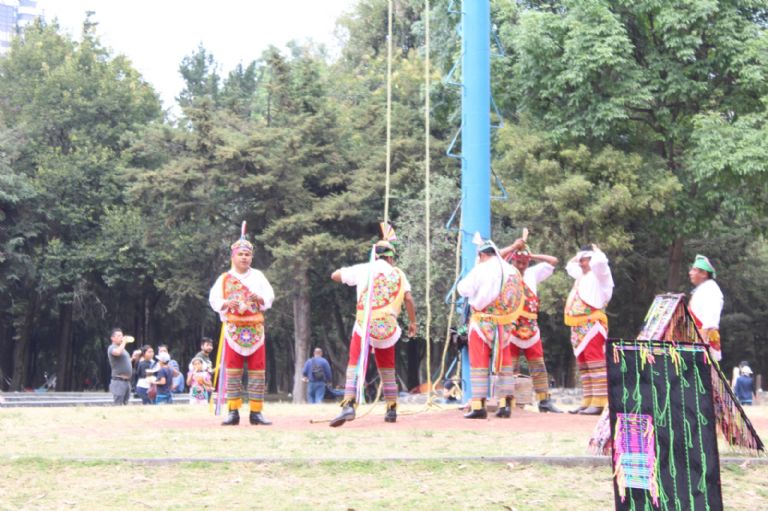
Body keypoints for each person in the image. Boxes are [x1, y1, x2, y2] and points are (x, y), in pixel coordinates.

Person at [329, 239, 417, 427]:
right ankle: (391, 408)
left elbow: (335, 275)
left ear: (375, 255)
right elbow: (409, 299)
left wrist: (353, 272)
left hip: (365, 324)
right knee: (387, 367)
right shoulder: (399, 274)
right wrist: (413, 322)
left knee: (355, 362)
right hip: (387, 326)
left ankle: (349, 404)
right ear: (391, 258)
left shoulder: (364, 269)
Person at [208, 223, 275, 426]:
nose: (244, 257)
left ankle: (256, 412)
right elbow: (214, 300)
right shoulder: (224, 279)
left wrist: (259, 298)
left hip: (255, 329)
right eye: (241, 254)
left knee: (257, 370)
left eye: (248, 254)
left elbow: (269, 297)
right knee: (233, 370)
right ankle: (233, 410)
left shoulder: (258, 276)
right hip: (234, 330)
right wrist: (227, 303)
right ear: (233, 256)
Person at [457, 238, 524, 419]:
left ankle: (478, 404)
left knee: (478, 362)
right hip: (504, 322)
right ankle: (505, 403)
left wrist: (476, 268)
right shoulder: (512, 271)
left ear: (482, 255)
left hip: (483, 320)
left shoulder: (481, 269)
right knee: (505, 361)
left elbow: (463, 289)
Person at [498, 237, 562, 413]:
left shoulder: (533, 272)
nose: (521, 265)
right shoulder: (507, 271)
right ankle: (506, 401)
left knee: (538, 364)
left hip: (531, 327)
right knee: (509, 365)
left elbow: (553, 261)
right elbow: (496, 259)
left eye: (524, 263)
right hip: (511, 325)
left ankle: (544, 401)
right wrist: (513, 247)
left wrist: (532, 255)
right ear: (513, 260)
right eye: (518, 262)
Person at [564, 244, 614, 415]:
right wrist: (579, 255)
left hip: (592, 323)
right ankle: (588, 400)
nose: (581, 263)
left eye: (584, 260)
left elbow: (601, 263)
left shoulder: (599, 275)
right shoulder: (581, 275)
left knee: (595, 361)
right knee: (583, 362)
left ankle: (600, 401)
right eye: (581, 260)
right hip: (578, 325)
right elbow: (569, 266)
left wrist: (597, 251)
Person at [687, 255, 724, 362]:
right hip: (695, 340)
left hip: (704, 340)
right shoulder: (702, 289)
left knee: (706, 375)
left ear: (704, 274)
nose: (690, 273)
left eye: (694, 270)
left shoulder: (711, 290)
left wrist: (701, 346)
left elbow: (709, 321)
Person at [107, 328, 132, 405]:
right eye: (118, 336)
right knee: (118, 404)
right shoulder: (112, 347)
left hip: (127, 381)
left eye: (122, 335)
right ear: (112, 338)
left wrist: (133, 358)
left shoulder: (123, 350)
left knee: (125, 404)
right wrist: (124, 342)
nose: (121, 337)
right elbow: (117, 352)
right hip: (118, 381)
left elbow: (125, 362)